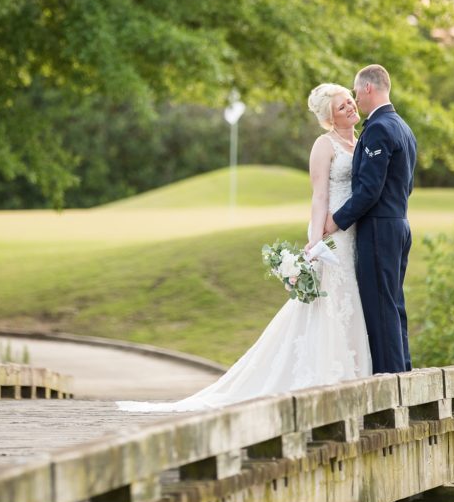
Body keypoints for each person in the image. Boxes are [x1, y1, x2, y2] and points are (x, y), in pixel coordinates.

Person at [117, 83, 372, 413]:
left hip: (354, 235)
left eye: (350, 102)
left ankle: (354, 378)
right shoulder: (323, 147)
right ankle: (329, 382)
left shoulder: (360, 143)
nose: (350, 108)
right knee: (331, 302)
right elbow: (319, 195)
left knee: (351, 301)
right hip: (332, 235)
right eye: (341, 107)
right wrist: (313, 241)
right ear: (328, 117)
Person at [324, 64, 416, 374]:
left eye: (355, 91)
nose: (354, 99)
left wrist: (336, 220)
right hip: (399, 223)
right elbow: (407, 185)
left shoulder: (378, 128)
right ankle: (402, 374)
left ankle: (390, 383)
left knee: (380, 309)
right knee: (393, 306)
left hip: (379, 227)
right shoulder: (403, 127)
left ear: (368, 89)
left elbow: (369, 191)